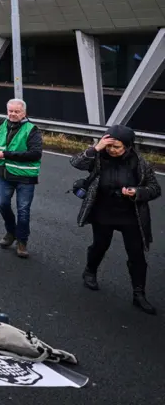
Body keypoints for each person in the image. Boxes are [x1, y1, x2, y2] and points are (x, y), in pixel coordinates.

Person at [72, 125, 161, 315]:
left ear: (128, 146)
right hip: (103, 210)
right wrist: (96, 148)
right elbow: (76, 162)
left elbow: (155, 189)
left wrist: (137, 192)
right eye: (109, 146)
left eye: (117, 147)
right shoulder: (98, 158)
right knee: (100, 245)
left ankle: (139, 293)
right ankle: (90, 271)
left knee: (136, 254)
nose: (112, 150)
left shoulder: (140, 163)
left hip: (130, 214)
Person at [0, 98, 42, 258]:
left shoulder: (32, 130)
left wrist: (6, 154)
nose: (12, 114)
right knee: (2, 204)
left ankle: (22, 241)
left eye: (16, 111)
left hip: (25, 177)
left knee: (23, 211)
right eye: (10, 111)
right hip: (4, 174)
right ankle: (11, 231)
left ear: (24, 113)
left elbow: (35, 153)